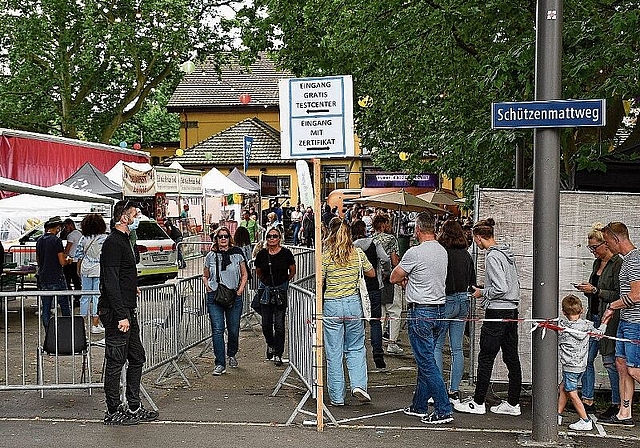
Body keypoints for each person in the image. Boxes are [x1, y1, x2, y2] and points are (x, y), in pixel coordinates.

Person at [390, 211, 454, 425]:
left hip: (421, 311)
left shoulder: (414, 253)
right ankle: (419, 404)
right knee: (425, 359)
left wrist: (405, 277)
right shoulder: (442, 251)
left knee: (426, 361)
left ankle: (443, 408)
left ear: (417, 230)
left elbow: (394, 276)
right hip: (439, 310)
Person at [455, 217, 522, 416]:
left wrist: (482, 293)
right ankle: (513, 402)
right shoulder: (506, 254)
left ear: (479, 237)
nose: (474, 243)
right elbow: (508, 285)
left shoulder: (492, 256)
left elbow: (501, 287)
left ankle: (478, 402)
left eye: (474, 239)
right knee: (511, 357)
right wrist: (486, 288)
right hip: (511, 310)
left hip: (497, 311)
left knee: (486, 356)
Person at [99, 200, 158, 425]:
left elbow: (121, 275)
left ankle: (133, 406)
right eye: (135, 213)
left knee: (137, 356)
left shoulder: (124, 240)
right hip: (117, 312)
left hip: (126, 308)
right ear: (123, 217)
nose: (137, 217)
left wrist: (131, 285)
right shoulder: (113, 242)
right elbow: (110, 280)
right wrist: (121, 314)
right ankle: (113, 410)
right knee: (115, 361)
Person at [323, 218, 375, 405]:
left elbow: (319, 281)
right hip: (353, 304)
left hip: (332, 305)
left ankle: (337, 397)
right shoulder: (358, 253)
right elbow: (371, 273)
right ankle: (359, 384)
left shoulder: (326, 255)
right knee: (355, 346)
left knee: (334, 351)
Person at [573, 222, 621, 419]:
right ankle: (588, 400)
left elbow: (620, 295)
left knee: (610, 362)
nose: (592, 251)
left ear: (606, 244)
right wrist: (588, 290)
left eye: (594, 247)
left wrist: (595, 291)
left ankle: (617, 403)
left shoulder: (618, 264)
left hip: (608, 319)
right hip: (593, 317)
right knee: (586, 359)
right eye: (589, 247)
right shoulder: (596, 263)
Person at [600, 222, 640, 427]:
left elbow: (637, 295)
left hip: (636, 323)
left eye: (607, 242)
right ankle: (625, 413)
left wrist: (612, 306)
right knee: (622, 366)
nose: (607, 246)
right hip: (626, 321)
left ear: (616, 239)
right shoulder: (626, 261)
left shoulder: (634, 261)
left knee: (634, 370)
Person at [434, 220, 476, 405]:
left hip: (446, 301)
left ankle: (437, 388)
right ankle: (454, 390)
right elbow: (472, 281)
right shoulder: (466, 255)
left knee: (436, 346)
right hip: (463, 300)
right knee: (457, 348)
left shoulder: (442, 254)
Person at [203, 226, 249, 375]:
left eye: (226, 236)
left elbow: (244, 274)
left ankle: (232, 353)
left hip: (234, 296)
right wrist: (208, 287)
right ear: (216, 239)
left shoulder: (237, 254)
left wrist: (240, 290)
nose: (223, 239)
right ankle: (220, 363)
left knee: (233, 328)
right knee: (217, 329)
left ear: (230, 238)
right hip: (215, 296)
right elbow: (205, 275)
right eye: (220, 236)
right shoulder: (210, 255)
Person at [557, 294, 604, 431]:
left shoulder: (563, 329)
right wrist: (605, 321)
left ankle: (585, 420)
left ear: (564, 312)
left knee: (572, 391)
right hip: (581, 366)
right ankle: (557, 414)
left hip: (570, 366)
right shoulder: (587, 326)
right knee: (563, 387)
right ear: (582, 310)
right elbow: (599, 334)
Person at [254, 227, 296, 366]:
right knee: (266, 324)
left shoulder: (286, 253)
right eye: (269, 236)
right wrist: (266, 282)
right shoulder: (262, 254)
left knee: (279, 325)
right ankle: (270, 344)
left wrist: (283, 282)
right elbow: (258, 271)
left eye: (275, 236)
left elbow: (292, 270)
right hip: (266, 290)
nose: (272, 239)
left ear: (279, 238)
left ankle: (278, 353)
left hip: (280, 291)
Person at [351, 220, 390, 369]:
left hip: (358, 289)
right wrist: (385, 272)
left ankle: (359, 354)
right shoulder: (374, 243)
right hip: (375, 287)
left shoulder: (352, 247)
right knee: (375, 321)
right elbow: (386, 259)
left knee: (358, 322)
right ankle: (378, 353)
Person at [372, 214, 403, 355]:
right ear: (383, 224)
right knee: (395, 311)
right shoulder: (391, 239)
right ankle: (392, 343)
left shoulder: (371, 240)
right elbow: (394, 260)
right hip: (390, 279)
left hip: (375, 280)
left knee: (381, 312)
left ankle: (378, 342)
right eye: (388, 223)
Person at [36, 216, 71, 328]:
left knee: (46, 308)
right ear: (57, 228)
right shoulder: (56, 241)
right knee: (65, 306)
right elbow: (61, 262)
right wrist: (68, 261)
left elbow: (38, 259)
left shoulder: (39, 240)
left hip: (44, 277)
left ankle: (48, 333)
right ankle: (67, 330)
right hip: (57, 277)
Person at [75, 214, 108, 334]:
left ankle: (82, 324)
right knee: (97, 296)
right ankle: (95, 324)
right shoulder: (104, 238)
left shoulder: (83, 238)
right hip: (99, 269)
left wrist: (78, 270)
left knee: (85, 296)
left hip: (86, 268)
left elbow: (79, 255)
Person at [62, 218, 82, 301]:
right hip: (78, 260)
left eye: (66, 227)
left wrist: (62, 256)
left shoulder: (71, 235)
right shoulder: (79, 233)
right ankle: (78, 298)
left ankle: (69, 297)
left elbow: (68, 248)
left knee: (67, 280)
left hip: (71, 261)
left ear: (70, 225)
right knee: (76, 281)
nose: (66, 229)